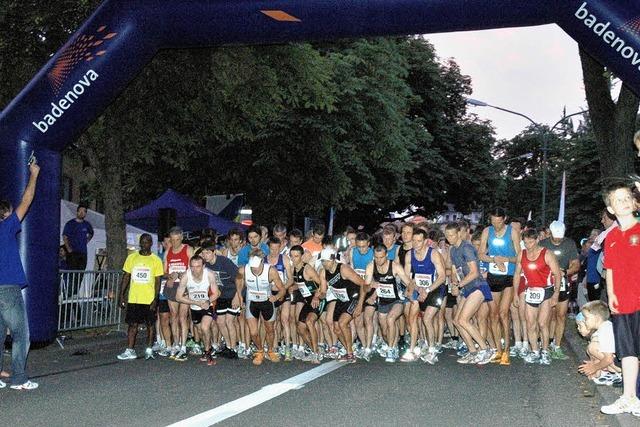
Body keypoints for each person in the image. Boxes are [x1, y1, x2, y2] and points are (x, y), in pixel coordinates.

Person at [600, 182, 640, 416]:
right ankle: (629, 397)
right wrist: (612, 294)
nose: (624, 201)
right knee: (628, 351)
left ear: (635, 202)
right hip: (623, 301)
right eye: (618, 199)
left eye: (627, 197)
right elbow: (611, 269)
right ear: (610, 209)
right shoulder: (611, 236)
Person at [0, 159, 39, 391]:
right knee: (20, 334)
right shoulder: (5, 226)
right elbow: (27, 200)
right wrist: (33, 174)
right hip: (7, 288)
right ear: (5, 213)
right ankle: (19, 379)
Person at [445, 222, 494, 365]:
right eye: (447, 235)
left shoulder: (466, 248)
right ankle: (473, 351)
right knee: (457, 321)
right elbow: (455, 270)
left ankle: (485, 350)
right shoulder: (452, 250)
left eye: (452, 235)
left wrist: (459, 285)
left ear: (459, 233)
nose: (449, 238)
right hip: (466, 288)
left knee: (463, 320)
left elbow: (474, 272)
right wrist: (455, 285)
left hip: (478, 286)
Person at [512, 228, 562, 365]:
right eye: (526, 242)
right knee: (530, 323)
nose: (528, 245)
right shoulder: (521, 254)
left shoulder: (547, 254)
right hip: (530, 291)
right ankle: (534, 351)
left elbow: (558, 274)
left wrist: (556, 294)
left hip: (546, 291)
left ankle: (545, 351)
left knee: (542, 323)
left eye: (531, 242)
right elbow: (517, 274)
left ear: (537, 240)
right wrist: (516, 294)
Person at [479, 207, 520, 365]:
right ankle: (498, 349)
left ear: (504, 219)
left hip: (508, 276)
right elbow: (481, 254)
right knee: (493, 315)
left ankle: (507, 351)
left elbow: (519, 257)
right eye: (492, 221)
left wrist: (506, 259)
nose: (495, 225)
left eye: (498, 222)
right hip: (493, 276)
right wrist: (494, 259)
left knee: (504, 314)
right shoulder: (486, 232)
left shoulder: (513, 232)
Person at [117, 234, 164, 361]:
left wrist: (155, 299)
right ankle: (130, 350)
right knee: (132, 324)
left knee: (150, 324)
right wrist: (121, 295)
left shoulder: (156, 260)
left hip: (148, 298)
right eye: (142, 242)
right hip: (134, 298)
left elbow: (158, 281)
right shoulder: (131, 258)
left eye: (147, 242)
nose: (144, 245)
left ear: (151, 244)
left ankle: (149, 349)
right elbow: (126, 276)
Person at [237, 248, 286, 365]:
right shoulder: (243, 269)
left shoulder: (271, 271)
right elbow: (238, 280)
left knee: (270, 329)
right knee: (253, 332)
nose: (254, 268)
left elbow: (282, 289)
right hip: (251, 302)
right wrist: (239, 295)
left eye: (256, 266)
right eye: (252, 266)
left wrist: (276, 296)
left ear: (262, 262)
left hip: (267, 302)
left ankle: (270, 350)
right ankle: (259, 350)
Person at [540, 220, 579, 360]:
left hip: (563, 282)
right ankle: (547, 341)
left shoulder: (569, 244)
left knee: (561, 315)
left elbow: (576, 264)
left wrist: (566, 271)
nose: (557, 241)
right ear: (550, 233)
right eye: (555, 238)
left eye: (560, 238)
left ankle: (557, 346)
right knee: (548, 313)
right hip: (547, 282)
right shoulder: (543, 244)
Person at [319, 247, 366, 363]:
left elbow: (363, 284)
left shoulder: (343, 269)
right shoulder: (323, 272)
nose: (323, 263)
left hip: (354, 297)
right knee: (336, 328)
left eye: (325, 261)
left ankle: (350, 353)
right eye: (322, 261)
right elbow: (323, 291)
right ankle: (348, 351)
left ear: (333, 259)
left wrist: (360, 304)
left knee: (342, 323)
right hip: (341, 299)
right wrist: (317, 296)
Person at [367, 244, 412, 362]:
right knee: (384, 330)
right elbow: (365, 286)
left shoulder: (395, 266)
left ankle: (391, 349)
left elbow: (408, 282)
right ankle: (392, 344)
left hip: (397, 300)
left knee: (391, 319)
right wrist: (371, 286)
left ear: (386, 255)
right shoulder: (371, 266)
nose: (378, 260)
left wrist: (409, 292)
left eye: (381, 257)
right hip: (383, 301)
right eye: (376, 257)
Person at [199, 242, 241, 359]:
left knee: (229, 321)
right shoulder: (205, 265)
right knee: (220, 322)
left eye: (208, 252)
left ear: (214, 252)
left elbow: (239, 278)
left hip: (233, 294)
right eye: (203, 253)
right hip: (221, 296)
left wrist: (237, 296)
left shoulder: (224, 262)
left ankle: (234, 348)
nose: (205, 255)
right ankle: (228, 346)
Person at [175, 256, 220, 364]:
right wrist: (195, 303)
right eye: (192, 267)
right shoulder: (186, 276)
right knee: (200, 331)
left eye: (198, 266)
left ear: (203, 266)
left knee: (205, 327)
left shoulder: (209, 274)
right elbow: (178, 297)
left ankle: (207, 351)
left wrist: (208, 302)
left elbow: (217, 293)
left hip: (207, 305)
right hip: (194, 307)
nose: (195, 269)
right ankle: (208, 347)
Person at [162, 226, 194, 359]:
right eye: (172, 240)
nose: (174, 243)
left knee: (183, 316)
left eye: (177, 240)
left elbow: (194, 269)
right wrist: (169, 276)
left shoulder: (188, 249)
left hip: (184, 286)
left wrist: (180, 274)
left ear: (181, 238)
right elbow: (163, 272)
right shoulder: (168, 251)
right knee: (173, 316)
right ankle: (175, 344)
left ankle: (183, 346)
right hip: (171, 287)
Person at [290, 245, 325, 364]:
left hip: (318, 299)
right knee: (300, 328)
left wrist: (316, 296)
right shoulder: (294, 269)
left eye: (296, 256)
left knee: (309, 322)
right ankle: (314, 350)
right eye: (292, 256)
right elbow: (300, 284)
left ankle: (315, 353)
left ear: (301, 256)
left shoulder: (307, 269)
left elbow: (322, 283)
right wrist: (292, 288)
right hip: (308, 301)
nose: (294, 259)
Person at [577, 301, 622, 386]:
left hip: (621, 361)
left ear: (597, 318)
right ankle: (607, 373)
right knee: (592, 348)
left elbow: (609, 359)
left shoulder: (605, 330)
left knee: (592, 347)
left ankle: (619, 373)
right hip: (617, 359)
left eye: (586, 318)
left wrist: (594, 368)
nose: (585, 321)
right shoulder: (603, 328)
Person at [62, 203, 94, 271]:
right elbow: (65, 236)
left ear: (86, 213)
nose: (82, 213)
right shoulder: (70, 224)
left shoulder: (87, 224)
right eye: (80, 211)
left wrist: (86, 241)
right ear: (77, 212)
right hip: (73, 253)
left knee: (81, 272)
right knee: (72, 273)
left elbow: (91, 233)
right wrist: (68, 249)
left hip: (83, 253)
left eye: (84, 211)